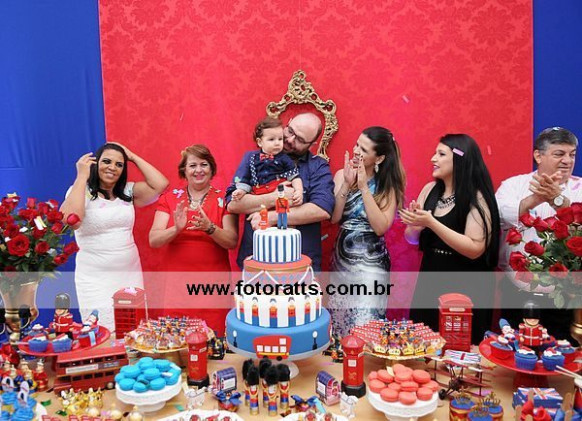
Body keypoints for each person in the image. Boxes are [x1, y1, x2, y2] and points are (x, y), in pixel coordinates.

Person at [400, 134, 500, 344]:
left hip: (466, 283)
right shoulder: (429, 190)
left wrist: (432, 222)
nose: (433, 159)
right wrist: (416, 226)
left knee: (459, 344)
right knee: (423, 341)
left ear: (459, 158)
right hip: (431, 276)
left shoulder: (476, 197)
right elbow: (411, 239)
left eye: (441, 154)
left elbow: (475, 248)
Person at [60, 142, 168, 332]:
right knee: (102, 331)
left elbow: (161, 185)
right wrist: (82, 176)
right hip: (95, 278)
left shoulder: (127, 191)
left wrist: (132, 156)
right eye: (107, 161)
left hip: (129, 273)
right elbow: (72, 220)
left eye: (119, 164)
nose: (112, 167)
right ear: (95, 163)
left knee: (135, 331)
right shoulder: (80, 190)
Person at [496, 127, 580, 339]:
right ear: (538, 155)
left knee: (562, 351)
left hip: (564, 298)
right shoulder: (513, 185)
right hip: (516, 292)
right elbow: (500, 217)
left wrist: (559, 202)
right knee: (514, 349)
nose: (567, 161)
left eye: (572, 154)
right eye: (559, 154)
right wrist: (536, 199)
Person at [226, 112, 335, 271]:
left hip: (301, 262)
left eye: (300, 140)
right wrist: (275, 197)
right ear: (287, 123)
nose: (290, 140)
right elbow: (233, 204)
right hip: (256, 258)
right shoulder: (252, 160)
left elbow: (322, 209)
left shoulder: (318, 166)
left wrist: (272, 217)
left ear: (312, 144)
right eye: (290, 131)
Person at [149, 144, 238, 335]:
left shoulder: (224, 199)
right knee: (177, 341)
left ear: (212, 168)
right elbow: (154, 240)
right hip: (177, 289)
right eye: (192, 165)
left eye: (204, 164)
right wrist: (176, 229)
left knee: (214, 340)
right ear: (184, 170)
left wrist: (210, 228)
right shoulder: (169, 198)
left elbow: (231, 241)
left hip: (213, 288)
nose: (199, 170)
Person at [328, 126, 406, 337]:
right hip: (341, 262)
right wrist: (347, 183)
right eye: (356, 144)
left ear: (378, 158)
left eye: (363, 150)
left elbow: (380, 227)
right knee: (340, 324)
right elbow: (334, 218)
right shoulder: (341, 175)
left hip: (371, 265)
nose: (356, 151)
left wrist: (363, 186)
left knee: (365, 325)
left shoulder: (387, 186)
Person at [230, 117, 303, 205]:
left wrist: (299, 191)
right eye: (271, 139)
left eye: (280, 139)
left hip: (280, 192)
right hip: (258, 195)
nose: (277, 143)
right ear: (260, 142)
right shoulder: (252, 158)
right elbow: (245, 179)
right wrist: (241, 190)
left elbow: (295, 177)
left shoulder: (284, 158)